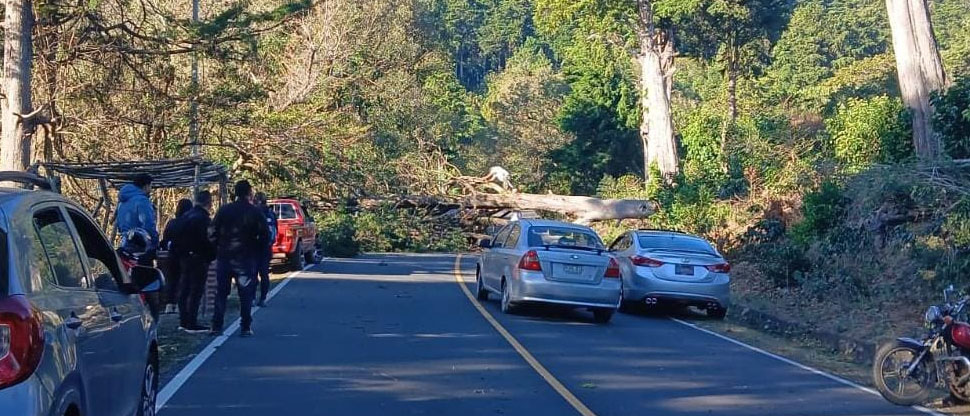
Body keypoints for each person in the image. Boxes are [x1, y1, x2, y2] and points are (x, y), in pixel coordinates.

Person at [209, 180, 269, 337]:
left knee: (221, 293)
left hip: (225, 257)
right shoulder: (254, 212)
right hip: (245, 258)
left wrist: (217, 247)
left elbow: (212, 232)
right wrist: (257, 250)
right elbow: (265, 235)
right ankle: (245, 326)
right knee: (246, 293)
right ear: (249, 193)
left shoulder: (224, 210)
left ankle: (216, 326)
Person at [175, 191, 216, 334]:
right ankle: (192, 322)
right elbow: (209, 240)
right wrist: (211, 255)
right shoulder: (203, 219)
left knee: (184, 289)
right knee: (196, 291)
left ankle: (183, 320)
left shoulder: (185, 217)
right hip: (199, 257)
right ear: (208, 203)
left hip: (185, 257)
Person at [160, 198, 193, 314]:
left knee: (171, 280)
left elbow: (165, 239)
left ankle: (169, 305)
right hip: (185, 255)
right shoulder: (190, 222)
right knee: (184, 280)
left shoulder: (171, 223)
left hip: (171, 255)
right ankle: (180, 305)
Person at [116, 173, 159, 254]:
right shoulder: (142, 200)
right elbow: (148, 224)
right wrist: (155, 242)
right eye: (151, 186)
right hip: (139, 243)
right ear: (146, 186)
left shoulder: (122, 202)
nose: (151, 189)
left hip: (125, 242)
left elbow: (119, 224)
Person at [254, 192, 277, 307]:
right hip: (267, 247)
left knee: (252, 273)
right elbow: (275, 230)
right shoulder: (271, 213)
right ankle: (263, 298)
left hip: (254, 247)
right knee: (264, 274)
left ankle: (252, 297)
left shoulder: (254, 212)